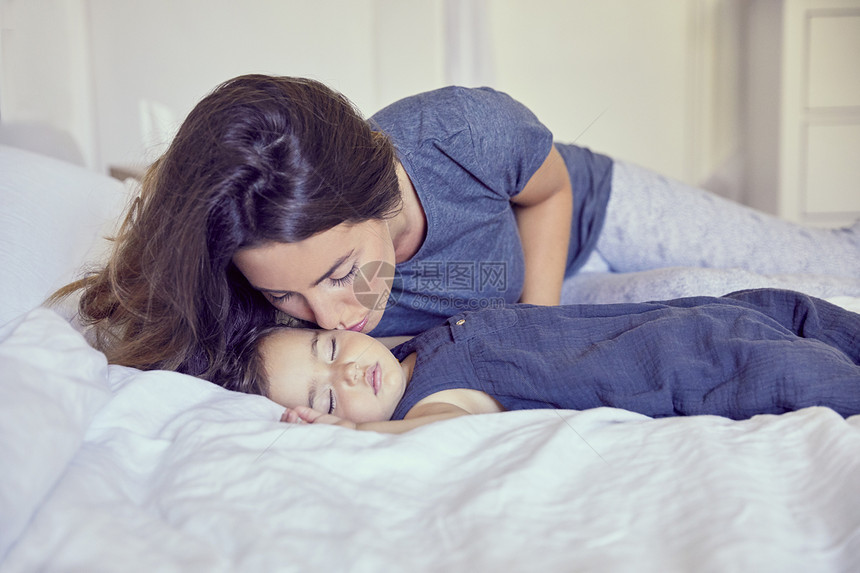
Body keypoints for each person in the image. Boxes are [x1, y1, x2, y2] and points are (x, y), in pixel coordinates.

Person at [54, 74, 860, 381]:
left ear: (381, 192)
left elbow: (546, 196)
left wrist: (533, 325)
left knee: (830, 261)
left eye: (340, 273)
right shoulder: (272, 305)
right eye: (288, 296)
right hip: (542, 303)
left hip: (576, 213)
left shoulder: (460, 133)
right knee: (735, 300)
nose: (333, 317)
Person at [223, 288, 860, 434]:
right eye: (329, 397)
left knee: (807, 312)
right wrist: (358, 432)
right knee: (819, 378)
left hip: (691, 314)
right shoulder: (434, 404)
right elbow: (427, 436)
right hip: (692, 364)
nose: (345, 373)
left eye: (328, 351)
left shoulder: (415, 347)